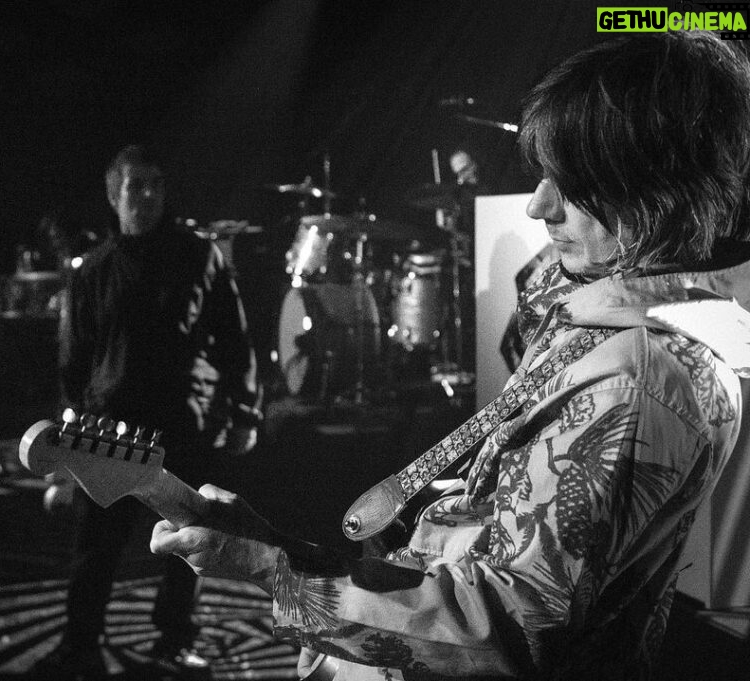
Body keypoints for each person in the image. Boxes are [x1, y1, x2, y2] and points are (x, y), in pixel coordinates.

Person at [151, 32, 750, 680]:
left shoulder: (633, 381)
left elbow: (501, 631)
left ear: (656, 187)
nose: (538, 204)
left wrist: (268, 567)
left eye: (573, 182)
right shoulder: (615, 324)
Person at [46, 145, 262, 679]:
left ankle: (173, 638)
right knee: (96, 545)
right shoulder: (93, 271)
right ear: (112, 191)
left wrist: (246, 414)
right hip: (109, 430)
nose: (147, 195)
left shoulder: (199, 256)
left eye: (156, 184)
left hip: (184, 426)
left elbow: (235, 339)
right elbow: (74, 362)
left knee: (187, 547)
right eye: (136, 184)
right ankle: (80, 641)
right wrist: (69, 441)